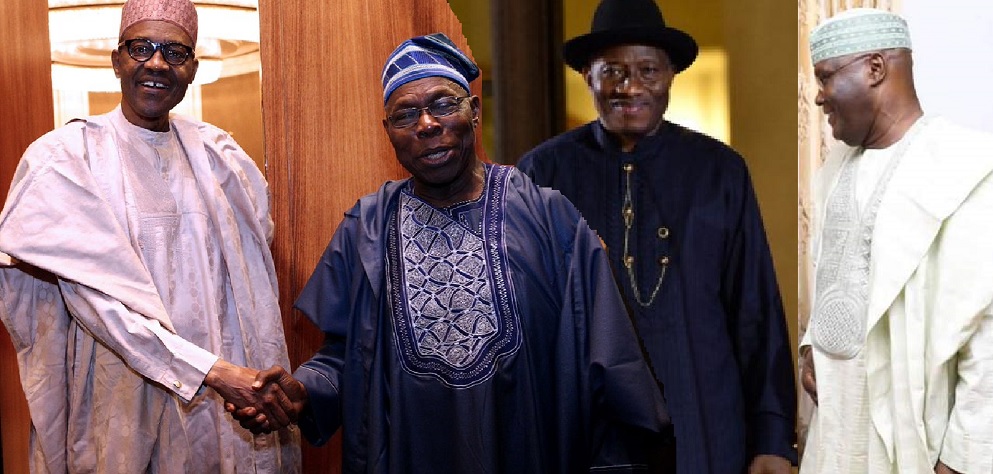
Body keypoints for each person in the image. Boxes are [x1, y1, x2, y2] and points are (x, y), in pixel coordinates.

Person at [230, 33, 673, 473]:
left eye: (443, 104)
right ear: (389, 132)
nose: (426, 124)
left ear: (474, 111)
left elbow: (609, 358)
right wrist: (303, 391)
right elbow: (346, 357)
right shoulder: (366, 229)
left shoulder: (547, 218)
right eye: (405, 114)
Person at [0, 0, 300, 472]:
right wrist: (212, 372)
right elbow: (96, 305)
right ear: (117, 59)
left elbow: (250, 292)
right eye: (142, 48)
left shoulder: (224, 159)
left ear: (193, 69)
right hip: (117, 397)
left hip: (221, 408)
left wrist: (238, 380)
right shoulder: (65, 159)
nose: (157, 64)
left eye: (175, 52)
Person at [516, 0, 797, 473]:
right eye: (613, 71)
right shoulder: (543, 173)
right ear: (587, 75)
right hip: (593, 433)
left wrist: (772, 438)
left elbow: (755, 310)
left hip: (705, 422)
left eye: (648, 70)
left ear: (670, 75)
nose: (630, 87)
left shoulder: (719, 171)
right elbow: (526, 319)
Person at [801, 8, 993, 473]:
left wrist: (963, 459)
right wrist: (811, 345)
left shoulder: (964, 168)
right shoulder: (835, 170)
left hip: (917, 442)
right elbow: (837, 277)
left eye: (826, 77)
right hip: (834, 434)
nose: (819, 96)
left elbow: (987, 334)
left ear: (874, 68)